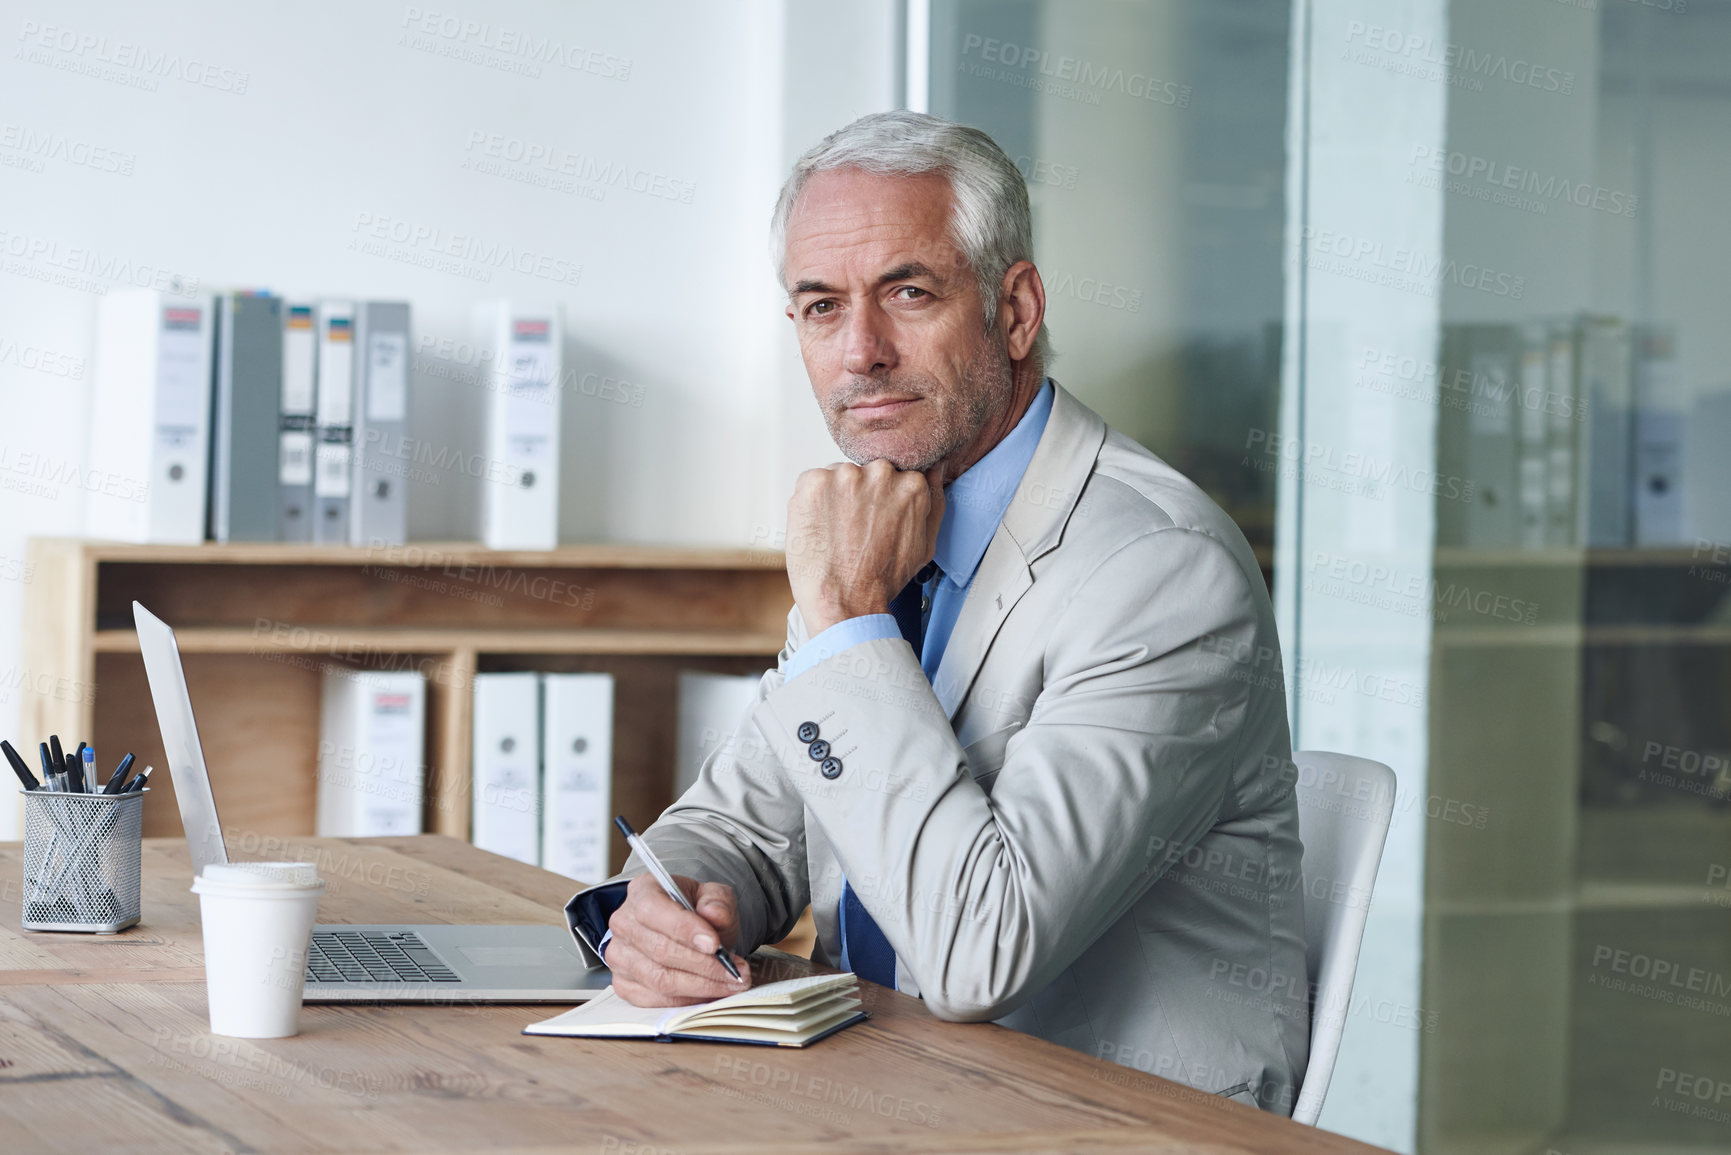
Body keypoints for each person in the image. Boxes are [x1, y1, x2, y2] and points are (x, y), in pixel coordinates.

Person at [567, 110, 1309, 1113]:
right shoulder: (892, 522)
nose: (860, 351)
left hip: (1102, 1126)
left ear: (1016, 310)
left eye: (906, 293)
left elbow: (978, 956)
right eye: (821, 307)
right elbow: (744, 823)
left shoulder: (1161, 573)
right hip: (883, 1094)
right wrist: (666, 907)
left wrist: (841, 614)